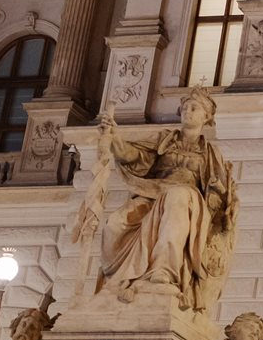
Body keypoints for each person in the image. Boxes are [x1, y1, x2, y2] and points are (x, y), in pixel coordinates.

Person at [94, 87, 236, 314]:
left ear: (206, 117)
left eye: (194, 108)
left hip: (189, 199)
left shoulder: (211, 152)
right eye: (185, 108)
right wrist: (114, 138)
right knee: (115, 223)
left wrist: (217, 189)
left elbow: (219, 196)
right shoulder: (165, 140)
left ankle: (164, 270)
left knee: (177, 198)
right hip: (153, 193)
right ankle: (116, 278)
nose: (188, 112)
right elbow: (136, 156)